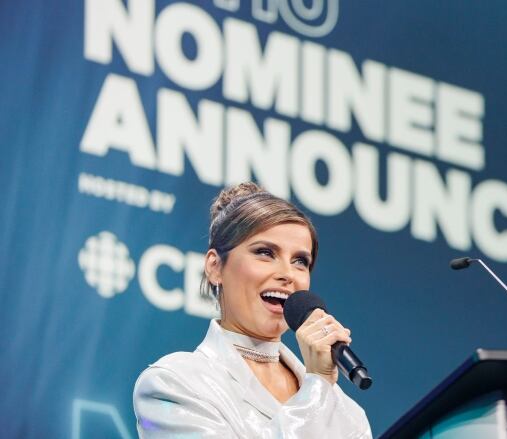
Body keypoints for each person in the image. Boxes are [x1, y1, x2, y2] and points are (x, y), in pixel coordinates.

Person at [133, 182, 372, 438]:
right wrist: (316, 387)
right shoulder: (172, 384)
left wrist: (320, 385)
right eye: (265, 252)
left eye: (300, 261)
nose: (287, 274)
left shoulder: (347, 413)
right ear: (215, 267)